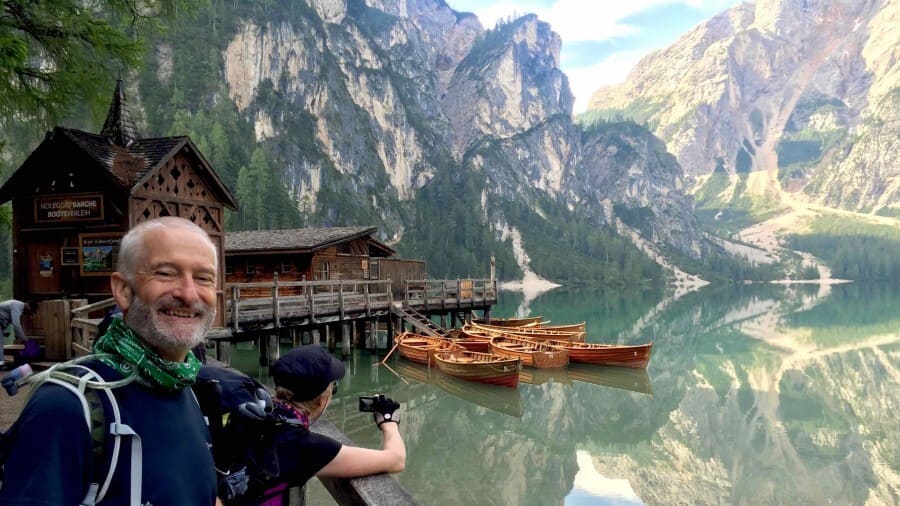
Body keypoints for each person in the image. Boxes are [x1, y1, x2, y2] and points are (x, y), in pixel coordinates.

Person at [0, 217, 219, 505]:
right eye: (165, 273)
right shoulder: (67, 406)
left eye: (203, 277)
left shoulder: (185, 388)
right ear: (123, 291)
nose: (189, 294)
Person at [235, 345, 406, 505]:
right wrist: (389, 423)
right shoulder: (306, 446)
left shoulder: (255, 410)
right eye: (334, 388)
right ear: (321, 401)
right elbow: (396, 460)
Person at [0, 300, 35, 371]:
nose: (29, 313)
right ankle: (0, 365)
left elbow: (4, 316)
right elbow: (16, 324)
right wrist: (23, 338)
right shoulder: (16, 306)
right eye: (31, 311)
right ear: (28, 305)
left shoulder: (16, 305)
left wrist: (4, 332)